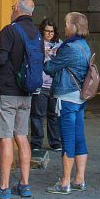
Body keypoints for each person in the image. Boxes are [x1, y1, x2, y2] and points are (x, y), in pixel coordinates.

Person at [0, 0, 39, 199]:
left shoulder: (9, 30)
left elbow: (0, 59)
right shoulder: (36, 33)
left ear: (16, 8)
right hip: (26, 92)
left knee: (5, 138)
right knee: (22, 136)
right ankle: (24, 185)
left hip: (6, 92)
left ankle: (4, 187)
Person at [43, 12, 92, 195]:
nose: (64, 28)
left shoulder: (69, 47)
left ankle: (65, 183)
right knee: (79, 137)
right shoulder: (84, 45)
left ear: (73, 26)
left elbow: (49, 68)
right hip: (80, 97)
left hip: (67, 97)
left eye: (66, 24)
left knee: (68, 139)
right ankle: (79, 179)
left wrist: (47, 56)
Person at [30, 18, 62, 153]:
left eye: (52, 31)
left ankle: (55, 142)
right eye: (47, 31)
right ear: (42, 31)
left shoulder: (60, 44)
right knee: (37, 114)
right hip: (40, 83)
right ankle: (36, 142)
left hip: (55, 85)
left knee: (53, 115)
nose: (49, 34)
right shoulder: (37, 43)